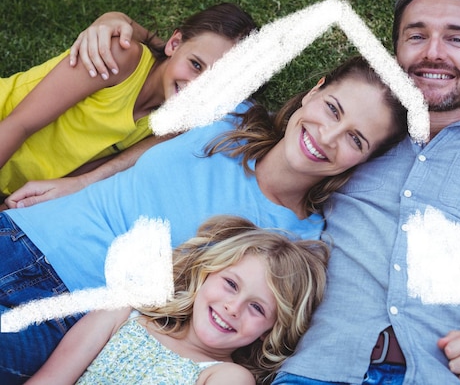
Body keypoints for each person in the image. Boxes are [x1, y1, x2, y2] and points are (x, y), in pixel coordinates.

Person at [7, 0, 460, 384]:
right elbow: (177, 61)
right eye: (416, 36)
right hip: (312, 372)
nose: (433, 51)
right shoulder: (268, 128)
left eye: (455, 39)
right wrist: (82, 176)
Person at [0, 54, 408, 384]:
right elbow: (169, 81)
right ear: (314, 90)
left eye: (356, 139)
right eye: (332, 109)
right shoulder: (233, 116)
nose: (327, 136)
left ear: (365, 161)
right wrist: (85, 179)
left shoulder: (297, 242)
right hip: (22, 230)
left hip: (68, 314)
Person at [25, 215, 330, 385]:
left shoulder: (227, 376)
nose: (233, 308)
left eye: (257, 308)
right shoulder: (121, 315)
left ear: (269, 330)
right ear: (205, 274)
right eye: (231, 284)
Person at [0, 2, 256, 199]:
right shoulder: (120, 59)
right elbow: (19, 124)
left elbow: (80, 174)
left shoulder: (171, 126)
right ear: (175, 44)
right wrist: (117, 19)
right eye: (196, 65)